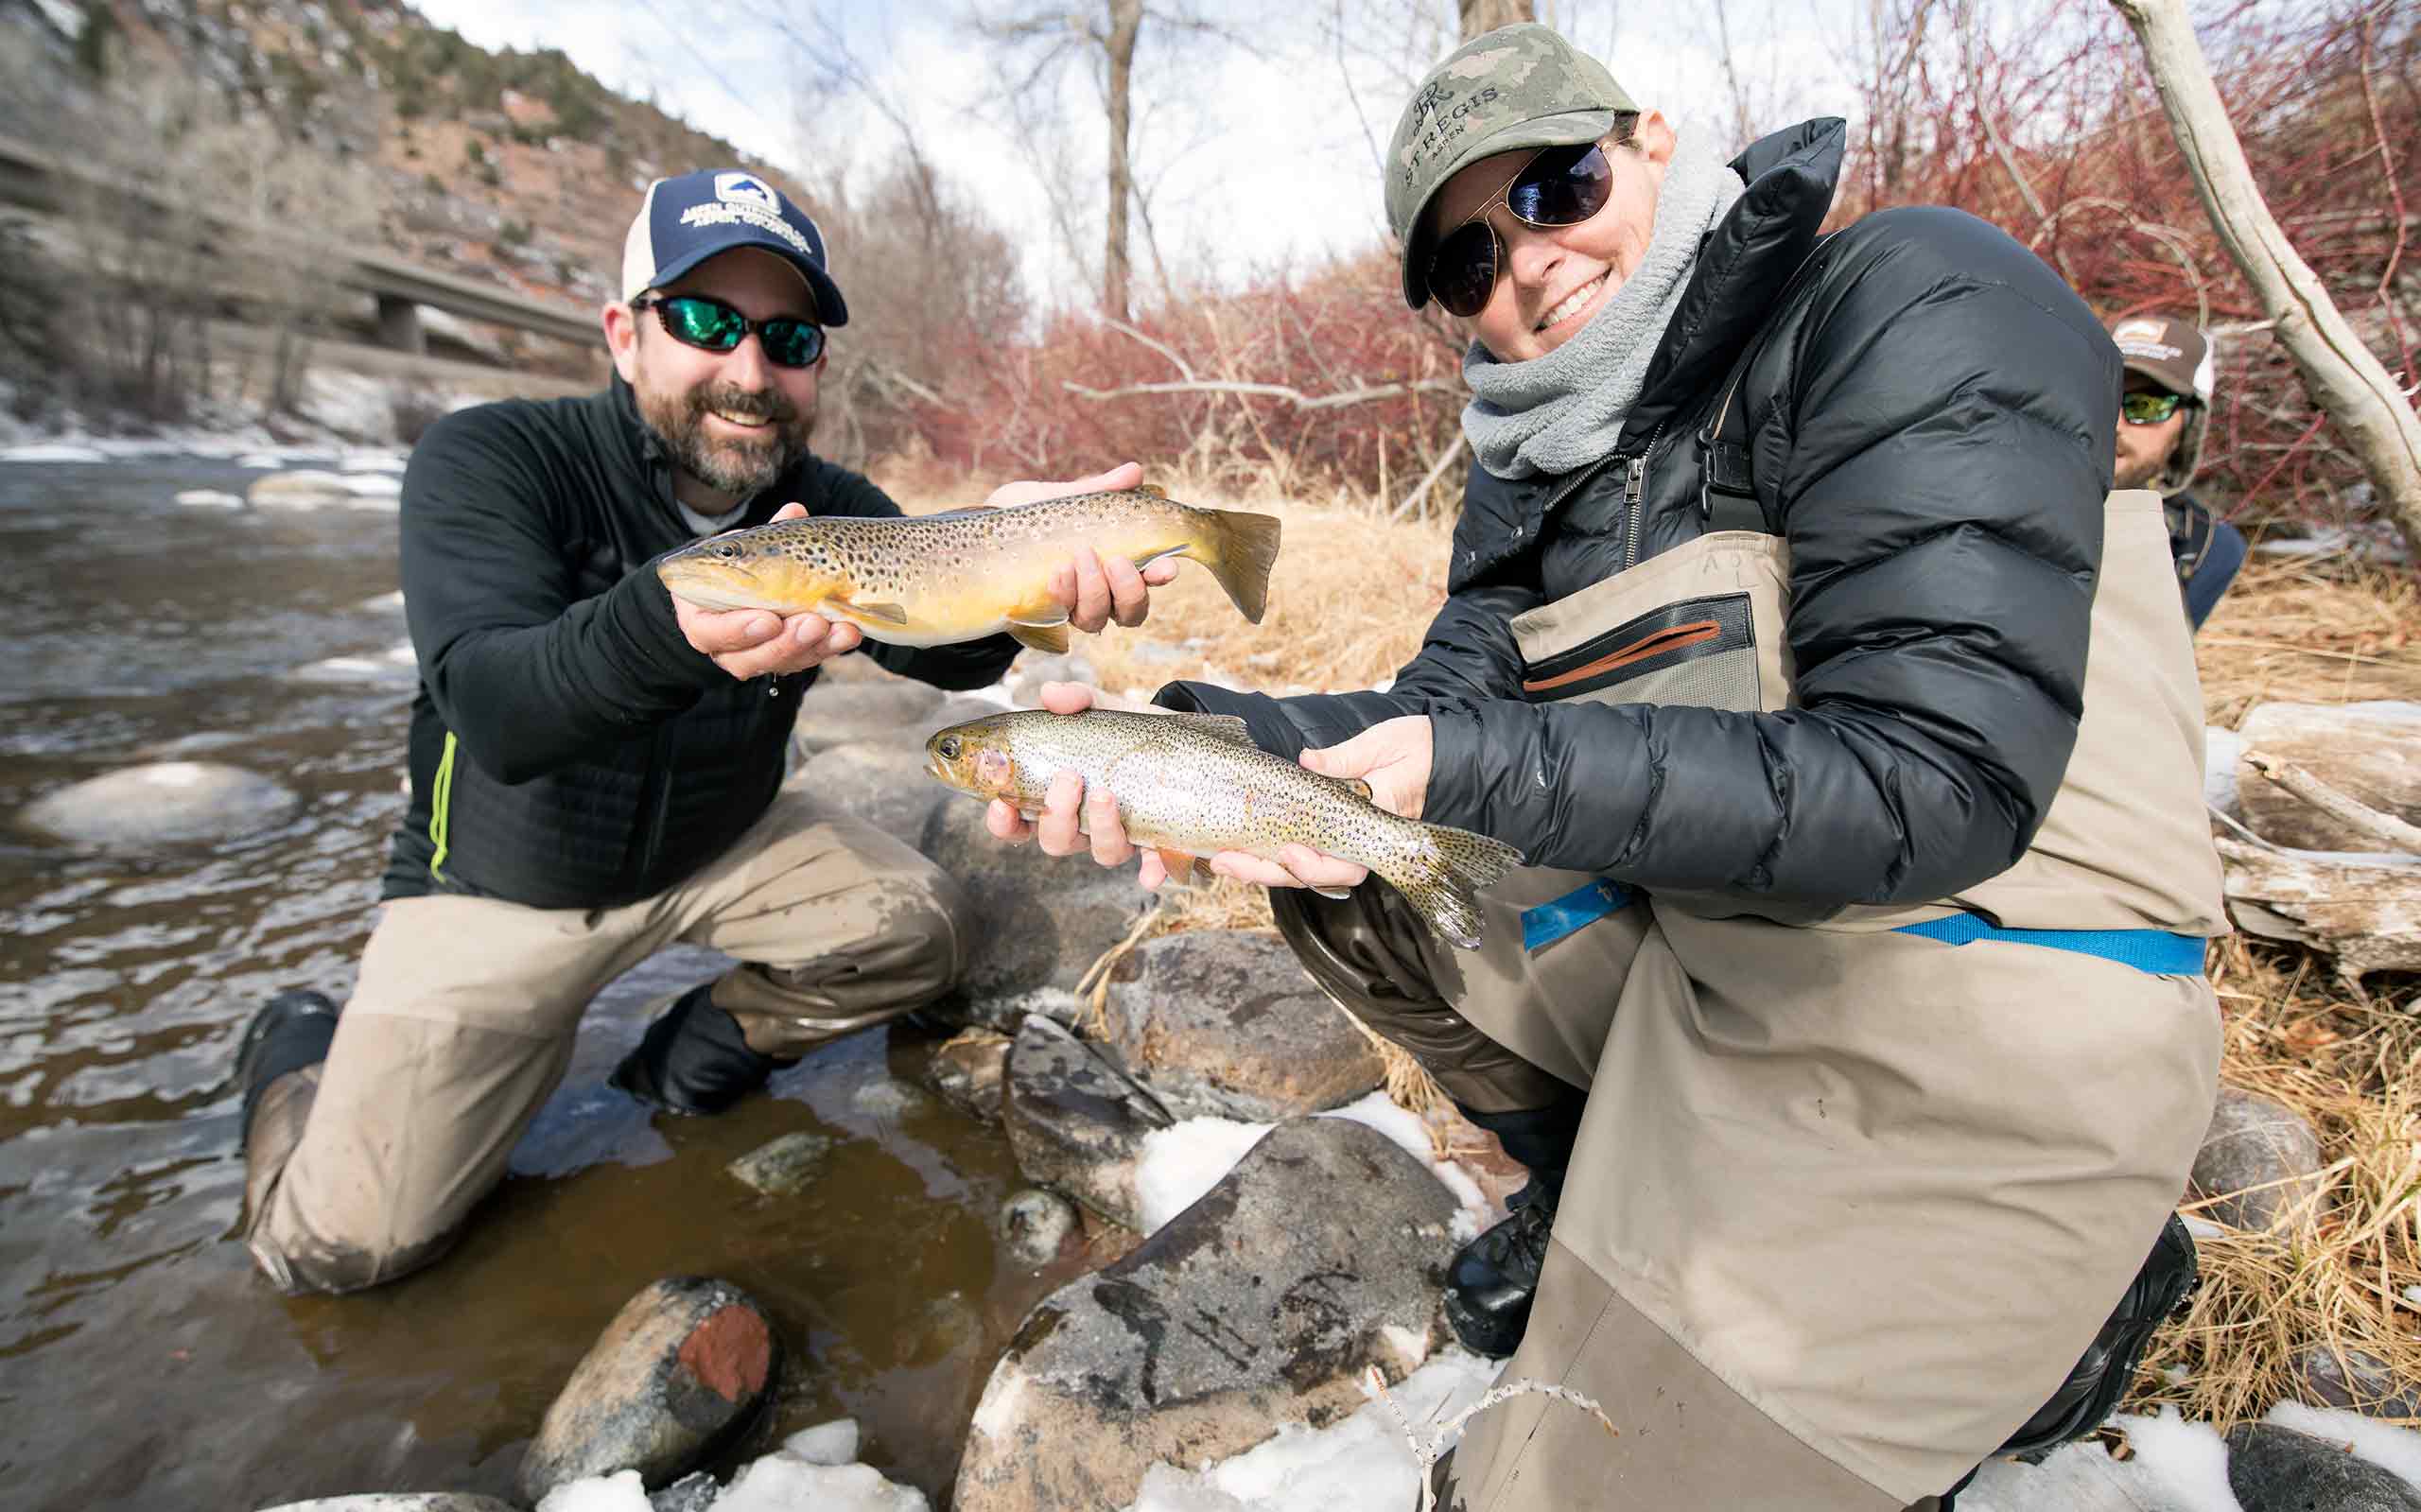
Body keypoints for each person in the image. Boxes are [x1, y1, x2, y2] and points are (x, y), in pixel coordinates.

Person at [991, 24, 2223, 1510]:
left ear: (1651, 139)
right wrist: (1168, 741)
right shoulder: (1533, 462)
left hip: (1991, 998)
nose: (1522, 261)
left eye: (1556, 186)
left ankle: (2078, 1300)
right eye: (1463, 262)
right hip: (1738, 954)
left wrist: (1476, 764)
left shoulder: (1907, 292)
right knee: (1368, 878)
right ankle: (1601, 1190)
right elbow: (1433, 714)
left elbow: (1937, 777)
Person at [232, 167, 1170, 1295]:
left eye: (787, 337)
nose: (748, 370)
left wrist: (1018, 574)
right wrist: (670, 620)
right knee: (339, 1253)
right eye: (708, 322)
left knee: (925, 930)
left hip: (722, 846)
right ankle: (293, 1049)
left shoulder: (829, 504)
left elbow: (947, 651)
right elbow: (495, 707)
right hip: (493, 886)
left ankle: (677, 1062)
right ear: (625, 335)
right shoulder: (490, 460)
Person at [2108, 312, 2246, 629]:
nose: (2115, 424)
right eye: (2103, 398)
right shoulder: (2004, 503)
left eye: (2145, 405)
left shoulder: (2204, 547)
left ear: (2188, 427)